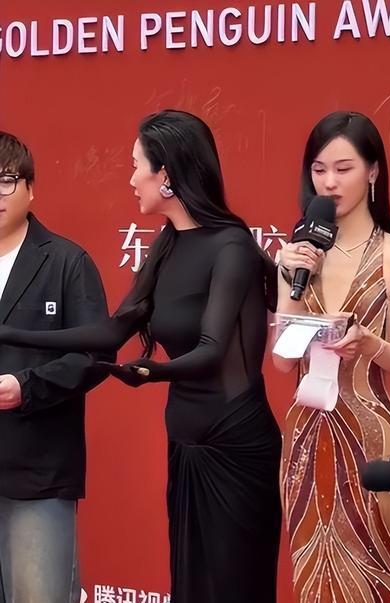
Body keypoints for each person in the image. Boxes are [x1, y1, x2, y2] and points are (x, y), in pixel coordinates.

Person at [0, 111, 282, 603]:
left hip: (235, 445)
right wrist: (10, 332)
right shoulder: (167, 245)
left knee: (233, 587)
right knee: (191, 585)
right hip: (186, 441)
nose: (131, 179)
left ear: (165, 174)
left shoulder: (232, 246)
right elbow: (112, 330)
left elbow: (213, 350)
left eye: (136, 166)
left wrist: (152, 372)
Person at [274, 111, 390, 602]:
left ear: (373, 171)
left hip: (372, 442)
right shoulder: (295, 255)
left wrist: (371, 345)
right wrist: (290, 279)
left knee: (367, 584)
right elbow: (282, 363)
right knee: (310, 582)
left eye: (343, 169)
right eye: (319, 169)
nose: (329, 182)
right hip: (304, 438)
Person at [0, 131, 110, 603]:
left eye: (5, 181)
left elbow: (95, 355)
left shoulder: (66, 262)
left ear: (31, 188)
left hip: (38, 473)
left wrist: (25, 388)